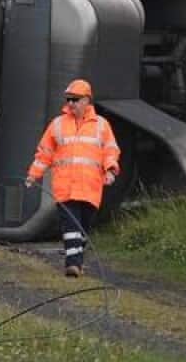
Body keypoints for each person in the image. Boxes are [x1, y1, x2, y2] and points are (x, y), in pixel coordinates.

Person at [25, 79, 121, 277]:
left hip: (90, 187)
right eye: (68, 99)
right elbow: (44, 153)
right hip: (65, 187)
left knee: (83, 227)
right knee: (71, 225)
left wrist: (111, 170)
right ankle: (73, 264)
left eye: (75, 100)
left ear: (87, 100)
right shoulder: (57, 124)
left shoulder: (102, 126)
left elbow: (111, 150)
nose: (70, 103)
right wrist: (33, 175)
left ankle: (77, 258)